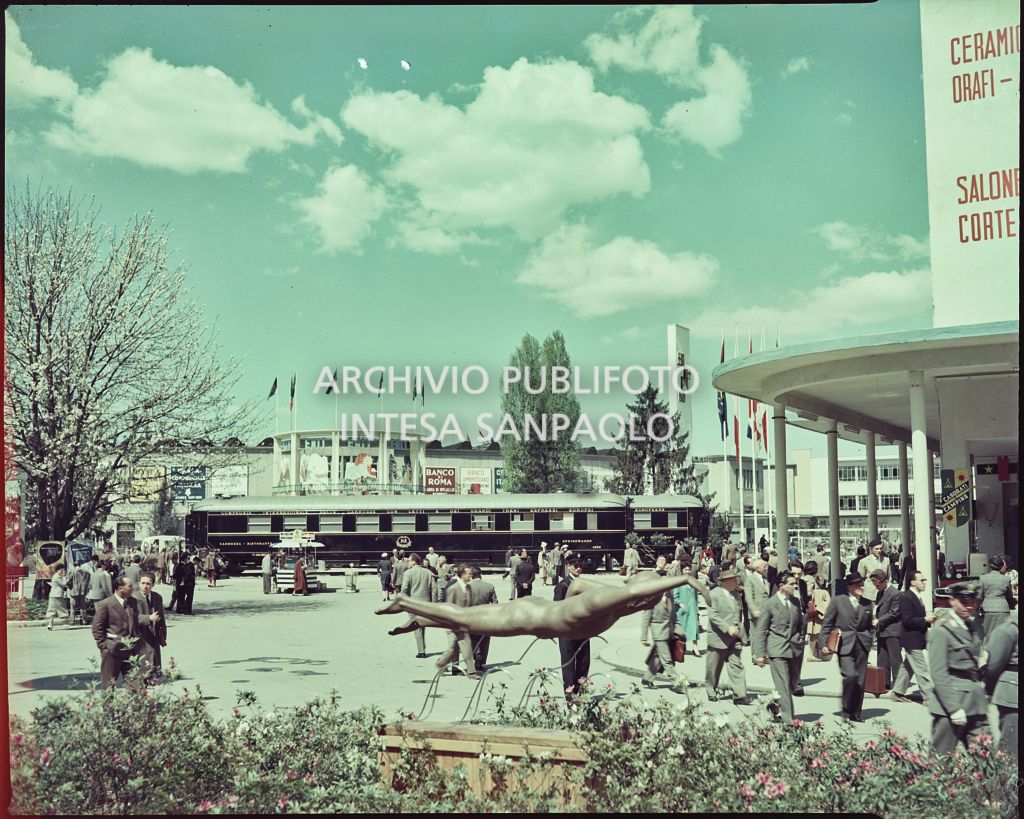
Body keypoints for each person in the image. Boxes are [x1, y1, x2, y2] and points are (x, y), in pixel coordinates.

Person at [378, 566, 712, 641]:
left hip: (540, 616)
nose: (649, 602)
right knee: (464, 620)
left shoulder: (620, 603)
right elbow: (629, 594)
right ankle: (406, 602)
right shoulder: (606, 599)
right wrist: (685, 579)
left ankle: (421, 621)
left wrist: (561, 616)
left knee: (466, 622)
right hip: (525, 615)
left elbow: (578, 583)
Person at [927, 582, 990, 754]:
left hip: (975, 702)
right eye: (964, 601)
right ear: (952, 600)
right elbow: (939, 673)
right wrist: (953, 708)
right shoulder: (941, 630)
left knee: (987, 757)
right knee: (941, 760)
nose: (969, 606)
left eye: (973, 601)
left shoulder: (972, 626)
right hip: (952, 704)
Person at [818, 573, 874, 722]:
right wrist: (823, 644)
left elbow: (870, 625)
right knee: (850, 676)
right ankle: (847, 708)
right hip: (845, 645)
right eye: (857, 584)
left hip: (862, 645)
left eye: (862, 583)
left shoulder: (868, 603)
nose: (861, 586)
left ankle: (856, 713)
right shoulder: (838, 601)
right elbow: (827, 624)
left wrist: (870, 638)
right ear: (849, 587)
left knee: (860, 681)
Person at [754, 573, 807, 722]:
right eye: (791, 584)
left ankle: (774, 705)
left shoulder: (796, 601)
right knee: (783, 685)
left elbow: (800, 625)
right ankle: (789, 720)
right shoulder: (769, 604)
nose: (794, 586)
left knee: (790, 685)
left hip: (795, 648)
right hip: (777, 649)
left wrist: (801, 639)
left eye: (795, 583)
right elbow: (761, 630)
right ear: (781, 585)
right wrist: (759, 654)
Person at [890, 570, 936, 704]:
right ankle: (929, 697)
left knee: (908, 666)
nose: (925, 583)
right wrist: (926, 620)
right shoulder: (906, 597)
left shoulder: (917, 596)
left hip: (917, 637)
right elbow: (907, 620)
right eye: (922, 580)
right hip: (911, 639)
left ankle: (898, 692)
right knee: (922, 669)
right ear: (913, 582)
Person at [705, 569, 749, 704]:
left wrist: (740, 632)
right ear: (723, 582)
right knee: (714, 667)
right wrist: (727, 628)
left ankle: (740, 695)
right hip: (718, 637)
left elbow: (738, 614)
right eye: (733, 580)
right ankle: (711, 689)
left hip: (735, 637)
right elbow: (713, 616)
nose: (737, 581)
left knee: (737, 666)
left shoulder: (736, 594)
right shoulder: (713, 594)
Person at [91, 576, 141, 690]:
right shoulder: (106, 604)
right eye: (130, 586)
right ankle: (108, 707)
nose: (133, 588)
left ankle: (136, 707)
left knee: (135, 685)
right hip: (112, 651)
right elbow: (97, 628)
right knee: (109, 685)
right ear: (120, 588)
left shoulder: (133, 602)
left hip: (131, 651)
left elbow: (136, 623)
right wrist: (104, 647)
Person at [552, 557, 591, 698]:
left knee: (584, 660)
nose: (579, 568)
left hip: (583, 629)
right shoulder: (562, 586)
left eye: (581, 566)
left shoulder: (585, 585)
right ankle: (569, 693)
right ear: (568, 566)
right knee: (568, 662)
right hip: (567, 631)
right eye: (575, 566)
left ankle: (580, 690)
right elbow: (556, 609)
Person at [434, 565, 480, 679]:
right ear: (463, 575)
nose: (471, 575)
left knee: (467, 647)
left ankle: (471, 672)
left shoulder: (468, 588)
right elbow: (448, 607)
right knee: (452, 648)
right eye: (469, 573)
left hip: (463, 624)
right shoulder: (453, 588)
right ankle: (440, 664)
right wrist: (448, 625)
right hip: (453, 624)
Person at [984, 609, 1018, 761]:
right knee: (1011, 751)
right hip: (1013, 697)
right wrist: (991, 691)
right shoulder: (1007, 630)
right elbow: (993, 666)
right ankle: (1003, 784)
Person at [871, 569, 903, 691]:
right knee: (882, 659)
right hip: (882, 630)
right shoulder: (880, 593)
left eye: (877, 584)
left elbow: (894, 613)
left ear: (884, 581)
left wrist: (879, 620)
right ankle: (883, 684)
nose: (876, 587)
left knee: (895, 659)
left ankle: (899, 686)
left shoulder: (896, 594)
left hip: (892, 631)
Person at [400, 553, 436, 658]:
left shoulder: (408, 573)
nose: (408, 563)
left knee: (417, 627)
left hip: (413, 604)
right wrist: (433, 603)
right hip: (426, 604)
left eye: (409, 561)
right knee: (422, 626)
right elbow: (434, 589)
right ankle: (422, 647)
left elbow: (404, 589)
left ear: (414, 561)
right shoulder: (428, 572)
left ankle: (421, 651)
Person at [134, 572, 166, 683]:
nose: (145, 586)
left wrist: (163, 635)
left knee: (154, 664)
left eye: (148, 584)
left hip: (155, 636)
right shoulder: (133, 598)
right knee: (143, 668)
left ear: (153, 585)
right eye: (142, 583)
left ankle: (153, 680)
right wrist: (148, 618)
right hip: (141, 637)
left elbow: (161, 616)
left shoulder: (157, 597)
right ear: (139, 584)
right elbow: (133, 618)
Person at [978, 555, 1014, 642]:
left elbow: (979, 596)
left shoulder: (983, 578)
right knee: (1003, 635)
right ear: (1002, 566)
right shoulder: (1006, 579)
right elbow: (1010, 596)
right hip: (1003, 609)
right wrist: (1011, 605)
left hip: (987, 609)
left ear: (990, 566)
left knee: (987, 635)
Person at [468, 566, 498, 669]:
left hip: (472, 617)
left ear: (472, 575)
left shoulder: (468, 587)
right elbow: (495, 604)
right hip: (486, 618)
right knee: (484, 640)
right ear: (481, 574)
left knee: (472, 639)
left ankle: (476, 655)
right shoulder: (489, 586)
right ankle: (481, 661)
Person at [673, 558, 701, 658]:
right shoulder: (679, 581)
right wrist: (680, 604)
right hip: (683, 608)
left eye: (689, 569)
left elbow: (696, 594)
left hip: (692, 608)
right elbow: (675, 595)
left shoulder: (693, 580)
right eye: (685, 569)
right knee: (682, 630)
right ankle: (681, 648)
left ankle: (695, 648)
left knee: (694, 628)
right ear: (682, 570)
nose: (687, 571)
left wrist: (696, 605)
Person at [804, 560, 831, 662]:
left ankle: (815, 653)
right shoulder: (811, 579)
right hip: (814, 609)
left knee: (813, 633)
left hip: (809, 609)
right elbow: (809, 592)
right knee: (814, 633)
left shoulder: (804, 578)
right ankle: (811, 654)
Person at [743, 559, 770, 645]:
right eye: (764, 567)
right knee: (755, 637)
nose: (766, 568)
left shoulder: (765, 579)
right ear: (757, 568)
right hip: (757, 614)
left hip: (766, 612)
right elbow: (749, 597)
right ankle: (755, 657)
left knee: (764, 637)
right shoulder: (750, 579)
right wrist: (754, 610)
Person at [859, 539, 889, 604]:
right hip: (870, 595)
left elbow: (888, 576)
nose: (879, 551)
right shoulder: (864, 561)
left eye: (880, 549)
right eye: (876, 549)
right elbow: (861, 578)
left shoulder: (886, 560)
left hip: (883, 594)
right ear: (871, 549)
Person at [45, 565, 70, 630]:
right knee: (62, 608)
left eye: (63, 570)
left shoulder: (56, 576)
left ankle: (50, 625)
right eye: (61, 570)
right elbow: (63, 584)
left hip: (53, 595)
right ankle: (65, 623)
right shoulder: (57, 577)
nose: (63, 572)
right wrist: (65, 577)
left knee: (52, 610)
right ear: (57, 570)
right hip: (57, 595)